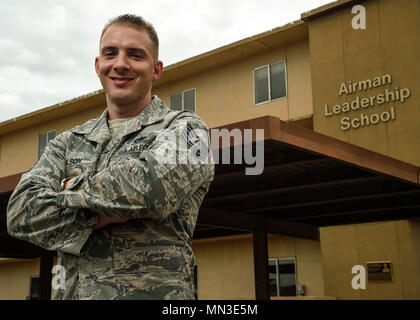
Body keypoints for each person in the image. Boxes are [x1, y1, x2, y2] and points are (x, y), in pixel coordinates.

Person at [7, 14, 214, 300]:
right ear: (98, 65)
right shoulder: (67, 143)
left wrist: (68, 188)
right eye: (110, 53)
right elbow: (21, 213)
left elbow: (151, 189)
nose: (120, 64)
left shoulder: (188, 130)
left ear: (156, 70)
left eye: (135, 55)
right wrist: (100, 214)